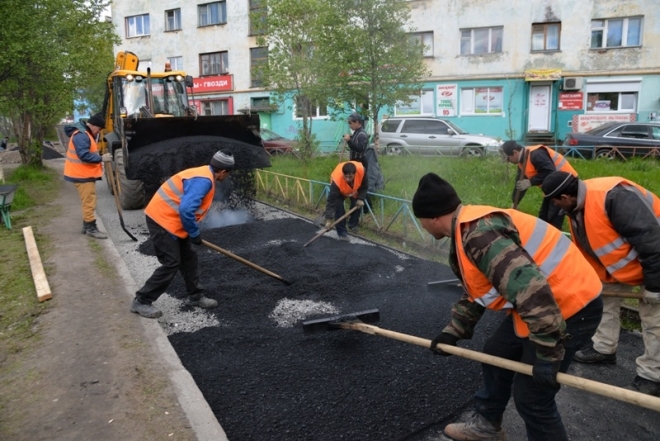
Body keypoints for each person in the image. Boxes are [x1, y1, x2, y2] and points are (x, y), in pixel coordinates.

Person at [412, 172, 603, 441]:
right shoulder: (467, 227)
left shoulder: (480, 235)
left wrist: (548, 353)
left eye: (421, 220)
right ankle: (487, 426)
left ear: (432, 217)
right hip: (548, 302)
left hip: (571, 305)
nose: (422, 226)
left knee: (533, 398)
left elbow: (532, 292)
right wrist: (454, 329)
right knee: (496, 353)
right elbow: (484, 288)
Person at [542, 171, 660, 396]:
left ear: (566, 197)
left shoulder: (614, 198)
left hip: (656, 258)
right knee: (605, 298)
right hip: (627, 263)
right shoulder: (577, 205)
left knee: (655, 319)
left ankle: (652, 376)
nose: (556, 206)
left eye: (556, 202)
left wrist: (655, 286)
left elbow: (652, 241)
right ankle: (604, 349)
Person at [130, 150, 235, 319]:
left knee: (189, 258)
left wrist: (190, 231)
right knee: (171, 263)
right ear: (223, 171)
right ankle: (142, 300)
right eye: (228, 173)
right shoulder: (203, 180)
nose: (226, 177)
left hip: (174, 221)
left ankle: (195, 296)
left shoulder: (204, 173)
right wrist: (194, 233)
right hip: (162, 220)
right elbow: (186, 210)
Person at [502, 140, 577, 230]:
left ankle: (555, 238)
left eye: (508, 158)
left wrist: (531, 182)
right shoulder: (522, 162)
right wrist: (515, 202)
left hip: (566, 185)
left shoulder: (536, 154)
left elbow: (550, 172)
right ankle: (544, 235)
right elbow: (520, 183)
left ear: (515, 152)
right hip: (553, 187)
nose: (508, 161)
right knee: (543, 216)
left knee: (553, 216)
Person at [63, 113, 109, 239]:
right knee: (89, 201)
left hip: (82, 173)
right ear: (93, 126)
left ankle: (86, 225)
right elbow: (84, 155)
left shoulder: (84, 133)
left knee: (88, 200)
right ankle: (91, 228)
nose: (98, 132)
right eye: (98, 129)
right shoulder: (82, 135)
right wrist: (101, 158)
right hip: (81, 174)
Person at [323, 161, 368, 241]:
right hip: (339, 190)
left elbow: (365, 186)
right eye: (345, 176)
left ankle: (353, 224)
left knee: (357, 204)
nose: (347, 179)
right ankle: (342, 233)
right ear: (343, 174)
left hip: (354, 188)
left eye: (350, 177)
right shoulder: (336, 180)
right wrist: (329, 219)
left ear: (355, 174)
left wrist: (361, 198)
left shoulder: (361, 171)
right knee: (339, 208)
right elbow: (331, 200)